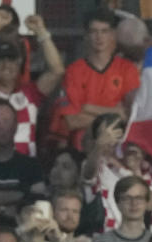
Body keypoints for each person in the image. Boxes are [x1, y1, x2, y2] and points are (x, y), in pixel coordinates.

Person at [0, 12, 64, 157]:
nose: (6, 65)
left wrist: (41, 31)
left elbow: (57, 70)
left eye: (11, 59)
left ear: (19, 64)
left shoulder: (30, 94)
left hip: (23, 173)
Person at [52, 8, 139, 149]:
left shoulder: (127, 69)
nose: (99, 37)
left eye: (104, 31)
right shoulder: (74, 71)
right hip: (82, 150)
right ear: (86, 35)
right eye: (94, 31)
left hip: (117, 149)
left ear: (113, 35)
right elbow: (72, 120)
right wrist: (115, 113)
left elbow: (130, 116)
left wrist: (88, 108)